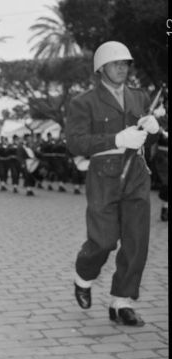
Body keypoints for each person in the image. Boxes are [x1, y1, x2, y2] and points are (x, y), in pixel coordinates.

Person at [66, 41, 159, 326]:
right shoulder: (83, 102)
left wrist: (155, 131)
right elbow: (75, 143)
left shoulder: (138, 97)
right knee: (103, 240)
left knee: (136, 241)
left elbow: (146, 138)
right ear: (101, 68)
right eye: (116, 63)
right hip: (104, 176)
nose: (122, 67)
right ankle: (83, 276)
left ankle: (121, 302)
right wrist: (116, 140)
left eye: (125, 63)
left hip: (136, 176)